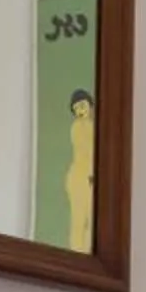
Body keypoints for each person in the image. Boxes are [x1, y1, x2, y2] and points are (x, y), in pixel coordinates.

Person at [64, 91, 96, 252]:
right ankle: (78, 250)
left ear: (90, 106)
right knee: (79, 217)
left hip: (89, 176)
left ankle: (86, 250)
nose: (80, 110)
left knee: (91, 218)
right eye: (76, 108)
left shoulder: (92, 127)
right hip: (81, 176)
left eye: (83, 106)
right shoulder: (79, 127)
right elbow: (85, 151)